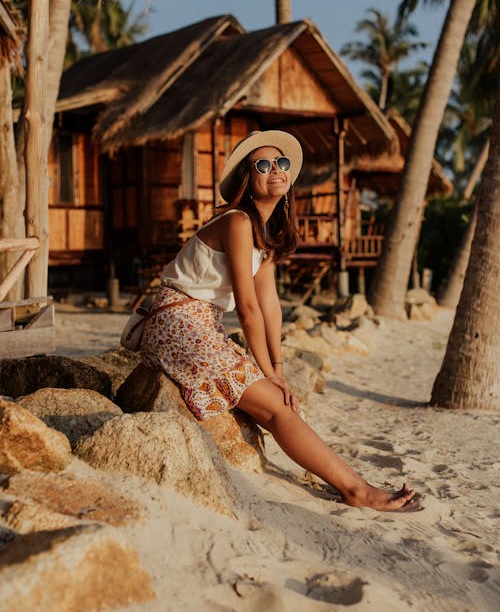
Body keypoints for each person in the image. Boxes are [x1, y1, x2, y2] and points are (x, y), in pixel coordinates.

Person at [141, 130, 421, 512]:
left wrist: (278, 366)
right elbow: (248, 308)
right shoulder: (238, 221)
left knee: (282, 400)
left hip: (202, 324)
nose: (276, 169)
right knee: (276, 404)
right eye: (263, 164)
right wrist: (265, 371)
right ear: (247, 178)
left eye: (282, 163)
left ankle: (351, 483)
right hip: (177, 323)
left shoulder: (263, 230)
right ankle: (357, 491)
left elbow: (270, 304)